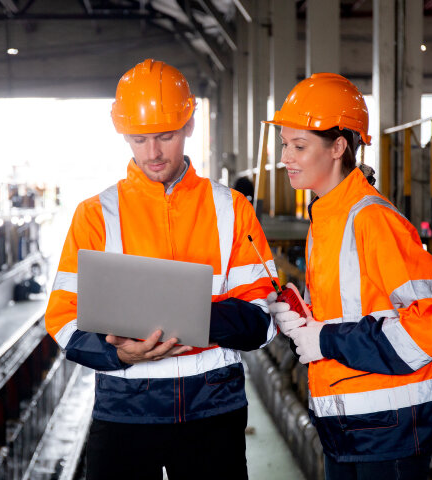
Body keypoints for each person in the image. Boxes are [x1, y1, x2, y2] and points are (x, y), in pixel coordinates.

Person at [44, 58, 277, 480]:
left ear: (188, 124)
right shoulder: (96, 215)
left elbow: (261, 321)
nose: (153, 152)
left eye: (166, 136)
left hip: (213, 410)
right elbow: (63, 322)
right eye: (139, 139)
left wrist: (190, 317)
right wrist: (117, 352)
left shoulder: (231, 209)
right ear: (123, 135)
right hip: (125, 413)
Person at [264, 73, 432, 479]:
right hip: (346, 430)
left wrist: (326, 339)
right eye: (284, 144)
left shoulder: (371, 219)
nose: (286, 157)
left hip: (388, 436)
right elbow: (357, 308)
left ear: (338, 147)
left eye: (299, 146)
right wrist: (304, 317)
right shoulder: (326, 216)